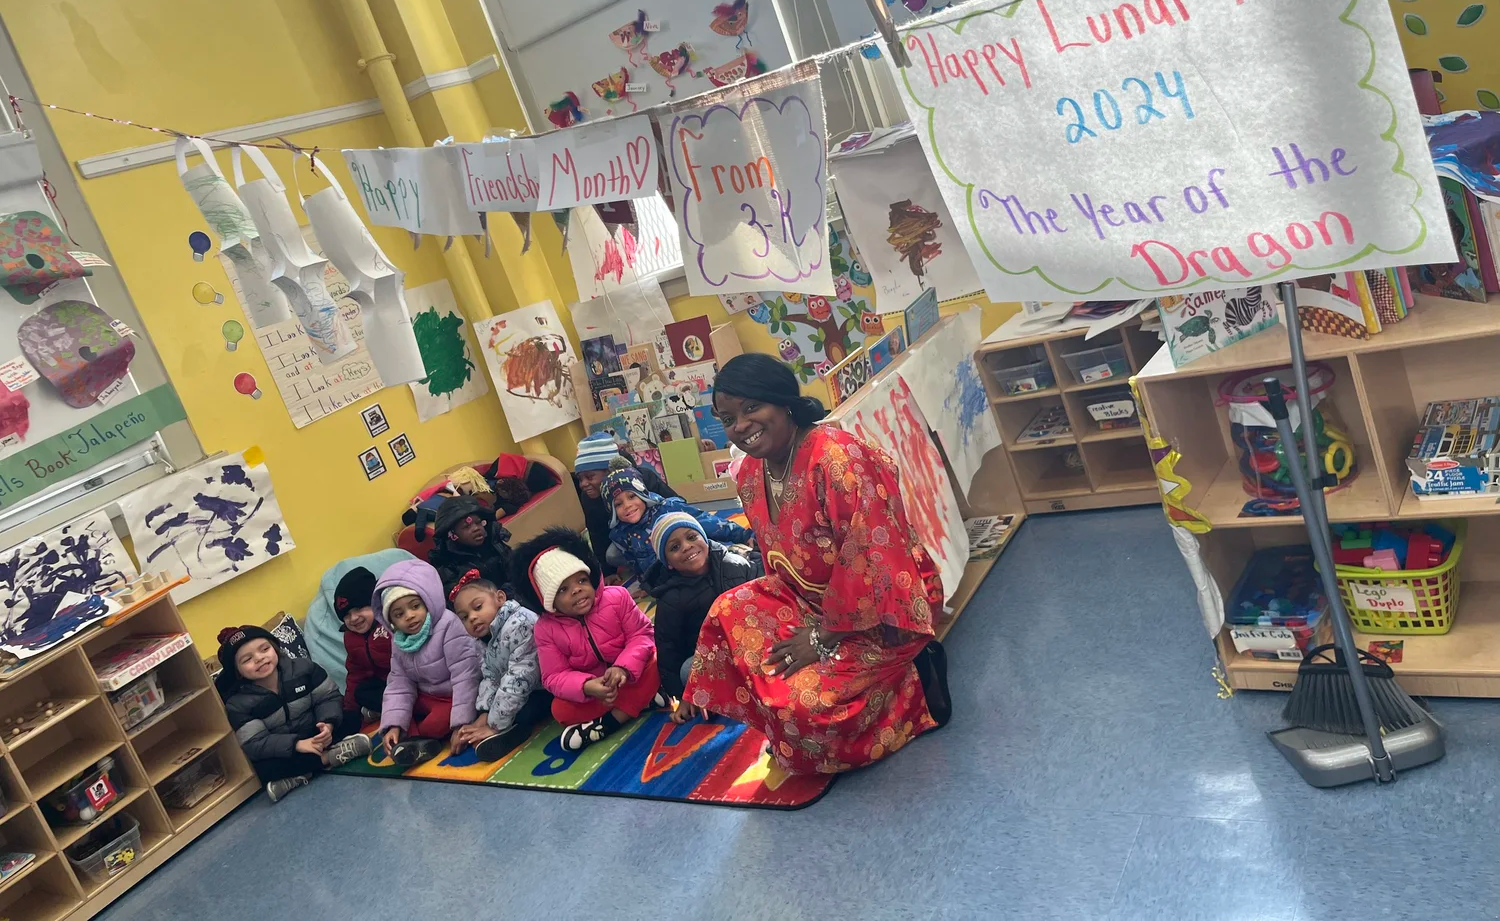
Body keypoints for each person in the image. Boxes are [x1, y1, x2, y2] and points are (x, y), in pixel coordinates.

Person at [685, 352, 952, 775]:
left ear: (783, 401)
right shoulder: (750, 473)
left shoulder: (837, 457)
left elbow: (873, 557)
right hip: (810, 598)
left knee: (804, 708)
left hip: (885, 605)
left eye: (752, 407)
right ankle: (796, 710)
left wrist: (823, 637)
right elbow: (777, 559)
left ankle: (914, 680)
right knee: (725, 613)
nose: (740, 426)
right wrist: (795, 620)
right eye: (728, 418)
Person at [512, 527, 665, 752]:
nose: (577, 590)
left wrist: (623, 667)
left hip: (632, 674)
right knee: (560, 710)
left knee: (660, 659)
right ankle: (644, 700)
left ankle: (608, 724)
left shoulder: (617, 597)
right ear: (548, 600)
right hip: (597, 690)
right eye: (563, 589)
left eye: (582, 580)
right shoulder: (545, 629)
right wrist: (586, 686)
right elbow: (554, 676)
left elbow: (642, 635)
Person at [216, 625, 372, 802]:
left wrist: (327, 725)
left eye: (264, 649)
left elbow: (328, 696)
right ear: (237, 671)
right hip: (286, 748)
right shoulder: (238, 703)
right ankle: (330, 757)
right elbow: (255, 742)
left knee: (350, 715)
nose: (259, 658)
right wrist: (297, 744)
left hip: (315, 730)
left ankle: (299, 775)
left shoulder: (303, 667)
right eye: (247, 659)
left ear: (275, 648)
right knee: (260, 769)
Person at [641, 512, 762, 723]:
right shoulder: (671, 598)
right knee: (688, 670)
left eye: (691, 537)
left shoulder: (733, 564)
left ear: (704, 539)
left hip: (750, 640)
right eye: (674, 547)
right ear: (668, 563)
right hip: (713, 656)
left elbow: (762, 591)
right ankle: (731, 692)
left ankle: (736, 691)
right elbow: (668, 648)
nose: (686, 546)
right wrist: (682, 696)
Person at [374, 559, 484, 767]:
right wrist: (394, 725)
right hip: (427, 695)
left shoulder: (448, 625)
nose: (409, 616)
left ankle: (420, 740)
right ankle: (406, 741)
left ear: (428, 602)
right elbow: (399, 684)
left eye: (415, 606)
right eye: (399, 614)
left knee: (436, 723)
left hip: (453, 696)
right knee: (398, 711)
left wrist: (461, 724)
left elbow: (465, 676)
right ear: (391, 622)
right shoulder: (399, 640)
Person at [448, 569, 552, 762]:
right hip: (527, 686)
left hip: (547, 686)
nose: (471, 617)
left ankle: (511, 731)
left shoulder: (519, 624)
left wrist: (493, 724)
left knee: (524, 711)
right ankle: (504, 727)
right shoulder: (487, 637)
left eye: (477, 607)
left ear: (500, 598)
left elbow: (519, 678)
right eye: (463, 617)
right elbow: (492, 677)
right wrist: (484, 713)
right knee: (504, 701)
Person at [605, 467, 753, 575]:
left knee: (732, 561)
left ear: (643, 494)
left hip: (701, 563)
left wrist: (745, 535)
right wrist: (646, 583)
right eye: (618, 504)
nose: (627, 506)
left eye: (632, 497)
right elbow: (634, 561)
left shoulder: (670, 508)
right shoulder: (620, 533)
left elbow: (712, 523)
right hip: (669, 577)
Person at [573, 431, 678, 564]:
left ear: (609, 471)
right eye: (580, 479)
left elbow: (674, 502)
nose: (583, 484)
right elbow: (597, 534)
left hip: (660, 525)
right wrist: (607, 572)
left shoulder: (643, 478)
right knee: (612, 556)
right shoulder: (589, 498)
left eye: (589, 477)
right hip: (630, 537)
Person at [334, 566, 390, 735]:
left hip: (411, 679)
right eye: (346, 615)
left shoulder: (389, 623)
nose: (354, 618)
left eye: (359, 609)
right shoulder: (351, 638)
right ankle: (385, 709)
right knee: (361, 692)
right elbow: (355, 673)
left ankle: (402, 709)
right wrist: (350, 712)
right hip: (385, 685)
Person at [429, 494, 514, 596]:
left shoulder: (494, 542)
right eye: (466, 526)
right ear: (452, 535)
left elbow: (514, 569)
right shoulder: (448, 565)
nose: (476, 528)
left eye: (478, 523)